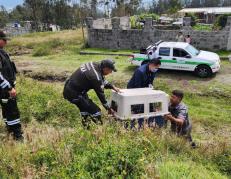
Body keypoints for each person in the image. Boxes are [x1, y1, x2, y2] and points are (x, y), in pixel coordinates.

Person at [63, 59, 120, 129]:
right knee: (96, 111)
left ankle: (86, 129)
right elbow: (101, 94)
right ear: (106, 68)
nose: (110, 73)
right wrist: (108, 108)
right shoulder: (95, 77)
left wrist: (112, 87)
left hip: (72, 89)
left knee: (85, 109)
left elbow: (102, 79)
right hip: (74, 94)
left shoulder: (95, 65)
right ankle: (101, 131)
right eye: (110, 71)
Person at [0, 31, 23, 140]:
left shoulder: (3, 53)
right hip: (5, 89)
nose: (6, 42)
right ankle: (18, 136)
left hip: (7, 89)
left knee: (7, 109)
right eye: (4, 40)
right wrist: (9, 88)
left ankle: (10, 130)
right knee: (12, 110)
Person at [127, 58, 162, 129]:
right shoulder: (140, 71)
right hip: (133, 89)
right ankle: (134, 119)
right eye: (156, 67)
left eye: (158, 68)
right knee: (136, 104)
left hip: (144, 88)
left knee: (146, 103)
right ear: (151, 65)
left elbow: (151, 80)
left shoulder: (153, 70)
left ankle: (146, 115)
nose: (156, 69)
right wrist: (143, 94)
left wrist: (150, 86)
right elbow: (137, 86)